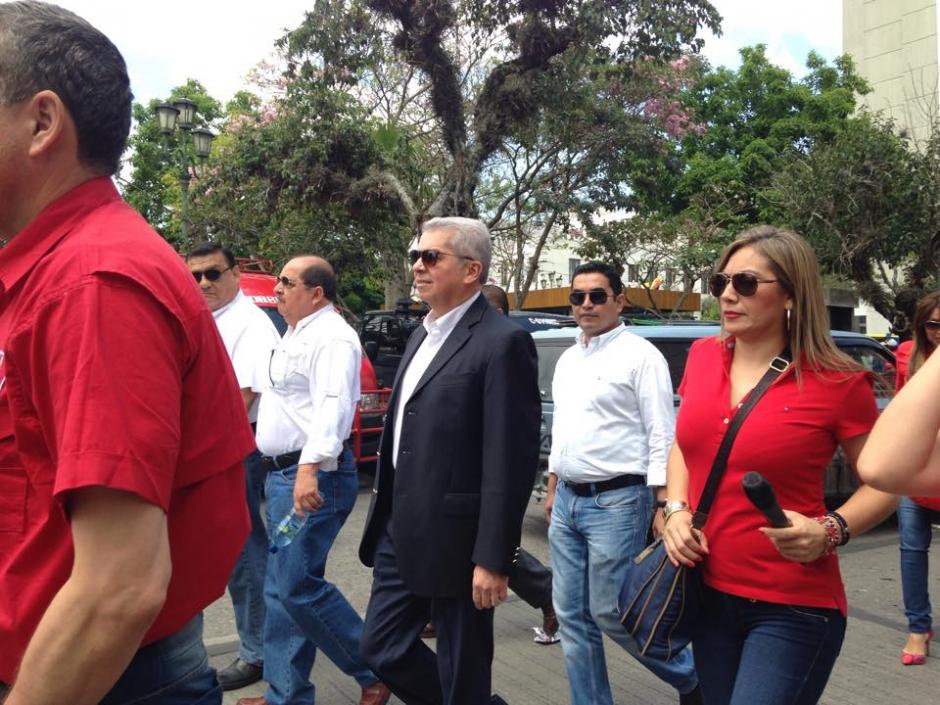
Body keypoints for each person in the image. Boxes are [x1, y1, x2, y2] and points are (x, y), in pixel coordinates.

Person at [0, 3, 255, 703]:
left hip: (103, 678)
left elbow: (119, 586)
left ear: (42, 123)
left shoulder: (91, 282)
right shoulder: (68, 269)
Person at [663, 226, 898, 705]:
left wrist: (830, 530)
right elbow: (686, 447)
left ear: (790, 293)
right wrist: (675, 510)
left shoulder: (836, 380)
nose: (728, 295)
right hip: (706, 591)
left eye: (746, 283)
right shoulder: (704, 356)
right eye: (720, 282)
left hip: (793, 604)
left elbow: (886, 482)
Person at [358, 217, 541, 705]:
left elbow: (510, 458)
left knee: (463, 666)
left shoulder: (502, 342)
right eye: (415, 255)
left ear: (471, 269)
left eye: (431, 257)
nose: (418, 265)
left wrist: (493, 556)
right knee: (381, 645)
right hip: (402, 527)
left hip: (462, 539)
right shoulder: (422, 334)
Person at [543, 261, 701, 705]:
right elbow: (566, 431)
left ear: (619, 300)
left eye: (597, 295)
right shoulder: (570, 358)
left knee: (612, 613)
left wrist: (664, 504)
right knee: (572, 617)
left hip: (618, 502)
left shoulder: (640, 356)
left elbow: (662, 434)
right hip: (570, 501)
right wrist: (554, 486)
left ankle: (691, 678)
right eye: (578, 297)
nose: (587, 304)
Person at [240, 257, 389, 705]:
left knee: (296, 586)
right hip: (283, 476)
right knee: (281, 586)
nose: (278, 289)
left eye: (286, 282)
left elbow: (333, 406)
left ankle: (377, 670)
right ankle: (284, 694)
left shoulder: (333, 337)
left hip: (310, 478)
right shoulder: (295, 333)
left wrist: (308, 470)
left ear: (317, 292)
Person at [186, 242, 280, 689]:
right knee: (224, 555)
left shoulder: (249, 324)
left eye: (213, 273)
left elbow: (244, 396)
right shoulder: (210, 319)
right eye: (196, 275)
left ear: (235, 275)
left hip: (232, 449)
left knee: (242, 553)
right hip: (209, 450)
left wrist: (197, 449)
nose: (204, 283)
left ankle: (257, 652)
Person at [876, 292, 940, 665]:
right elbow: (901, 405)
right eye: (932, 325)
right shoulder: (907, 355)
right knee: (912, 551)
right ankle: (918, 627)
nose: (938, 333)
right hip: (915, 468)